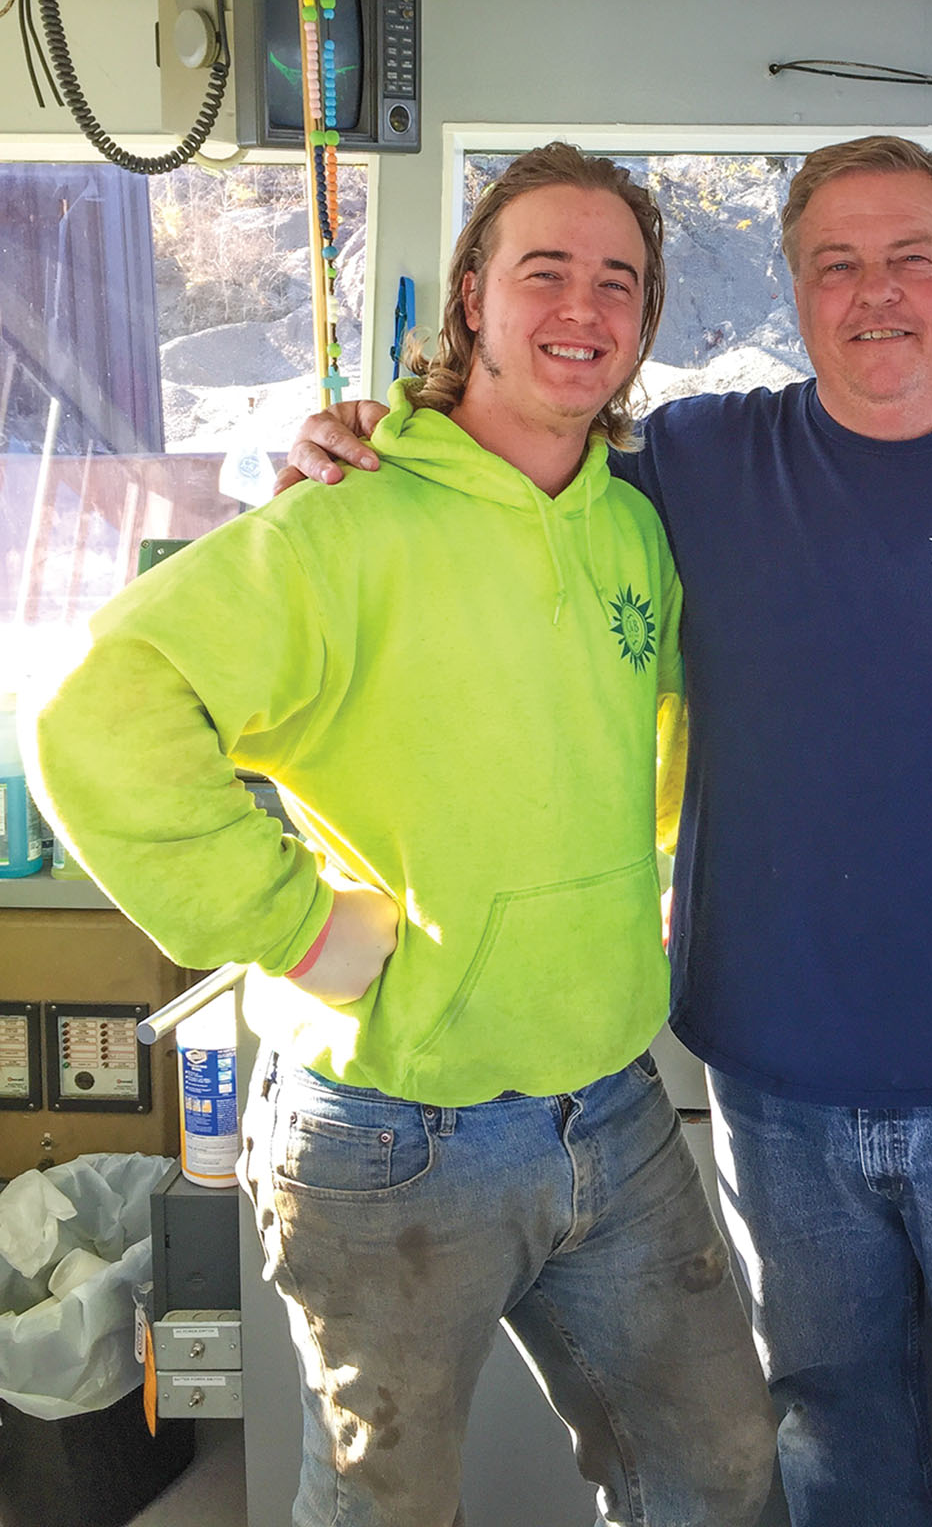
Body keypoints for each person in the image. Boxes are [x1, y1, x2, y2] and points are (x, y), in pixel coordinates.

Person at [281, 134, 932, 1527]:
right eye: (835, 263)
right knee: (829, 1454)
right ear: (795, 292)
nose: (874, 292)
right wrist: (365, 444)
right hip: (778, 1100)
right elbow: (510, 466)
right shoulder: (700, 467)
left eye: (910, 258)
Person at [23, 144, 775, 1527]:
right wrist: (293, 924)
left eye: (620, 280)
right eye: (544, 268)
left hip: (612, 1100)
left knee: (721, 1472)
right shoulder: (344, 521)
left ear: (647, 322)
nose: (583, 304)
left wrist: (616, 881)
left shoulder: (634, 533)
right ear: (473, 299)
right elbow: (98, 715)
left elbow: (652, 754)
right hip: (393, 1132)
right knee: (388, 1511)